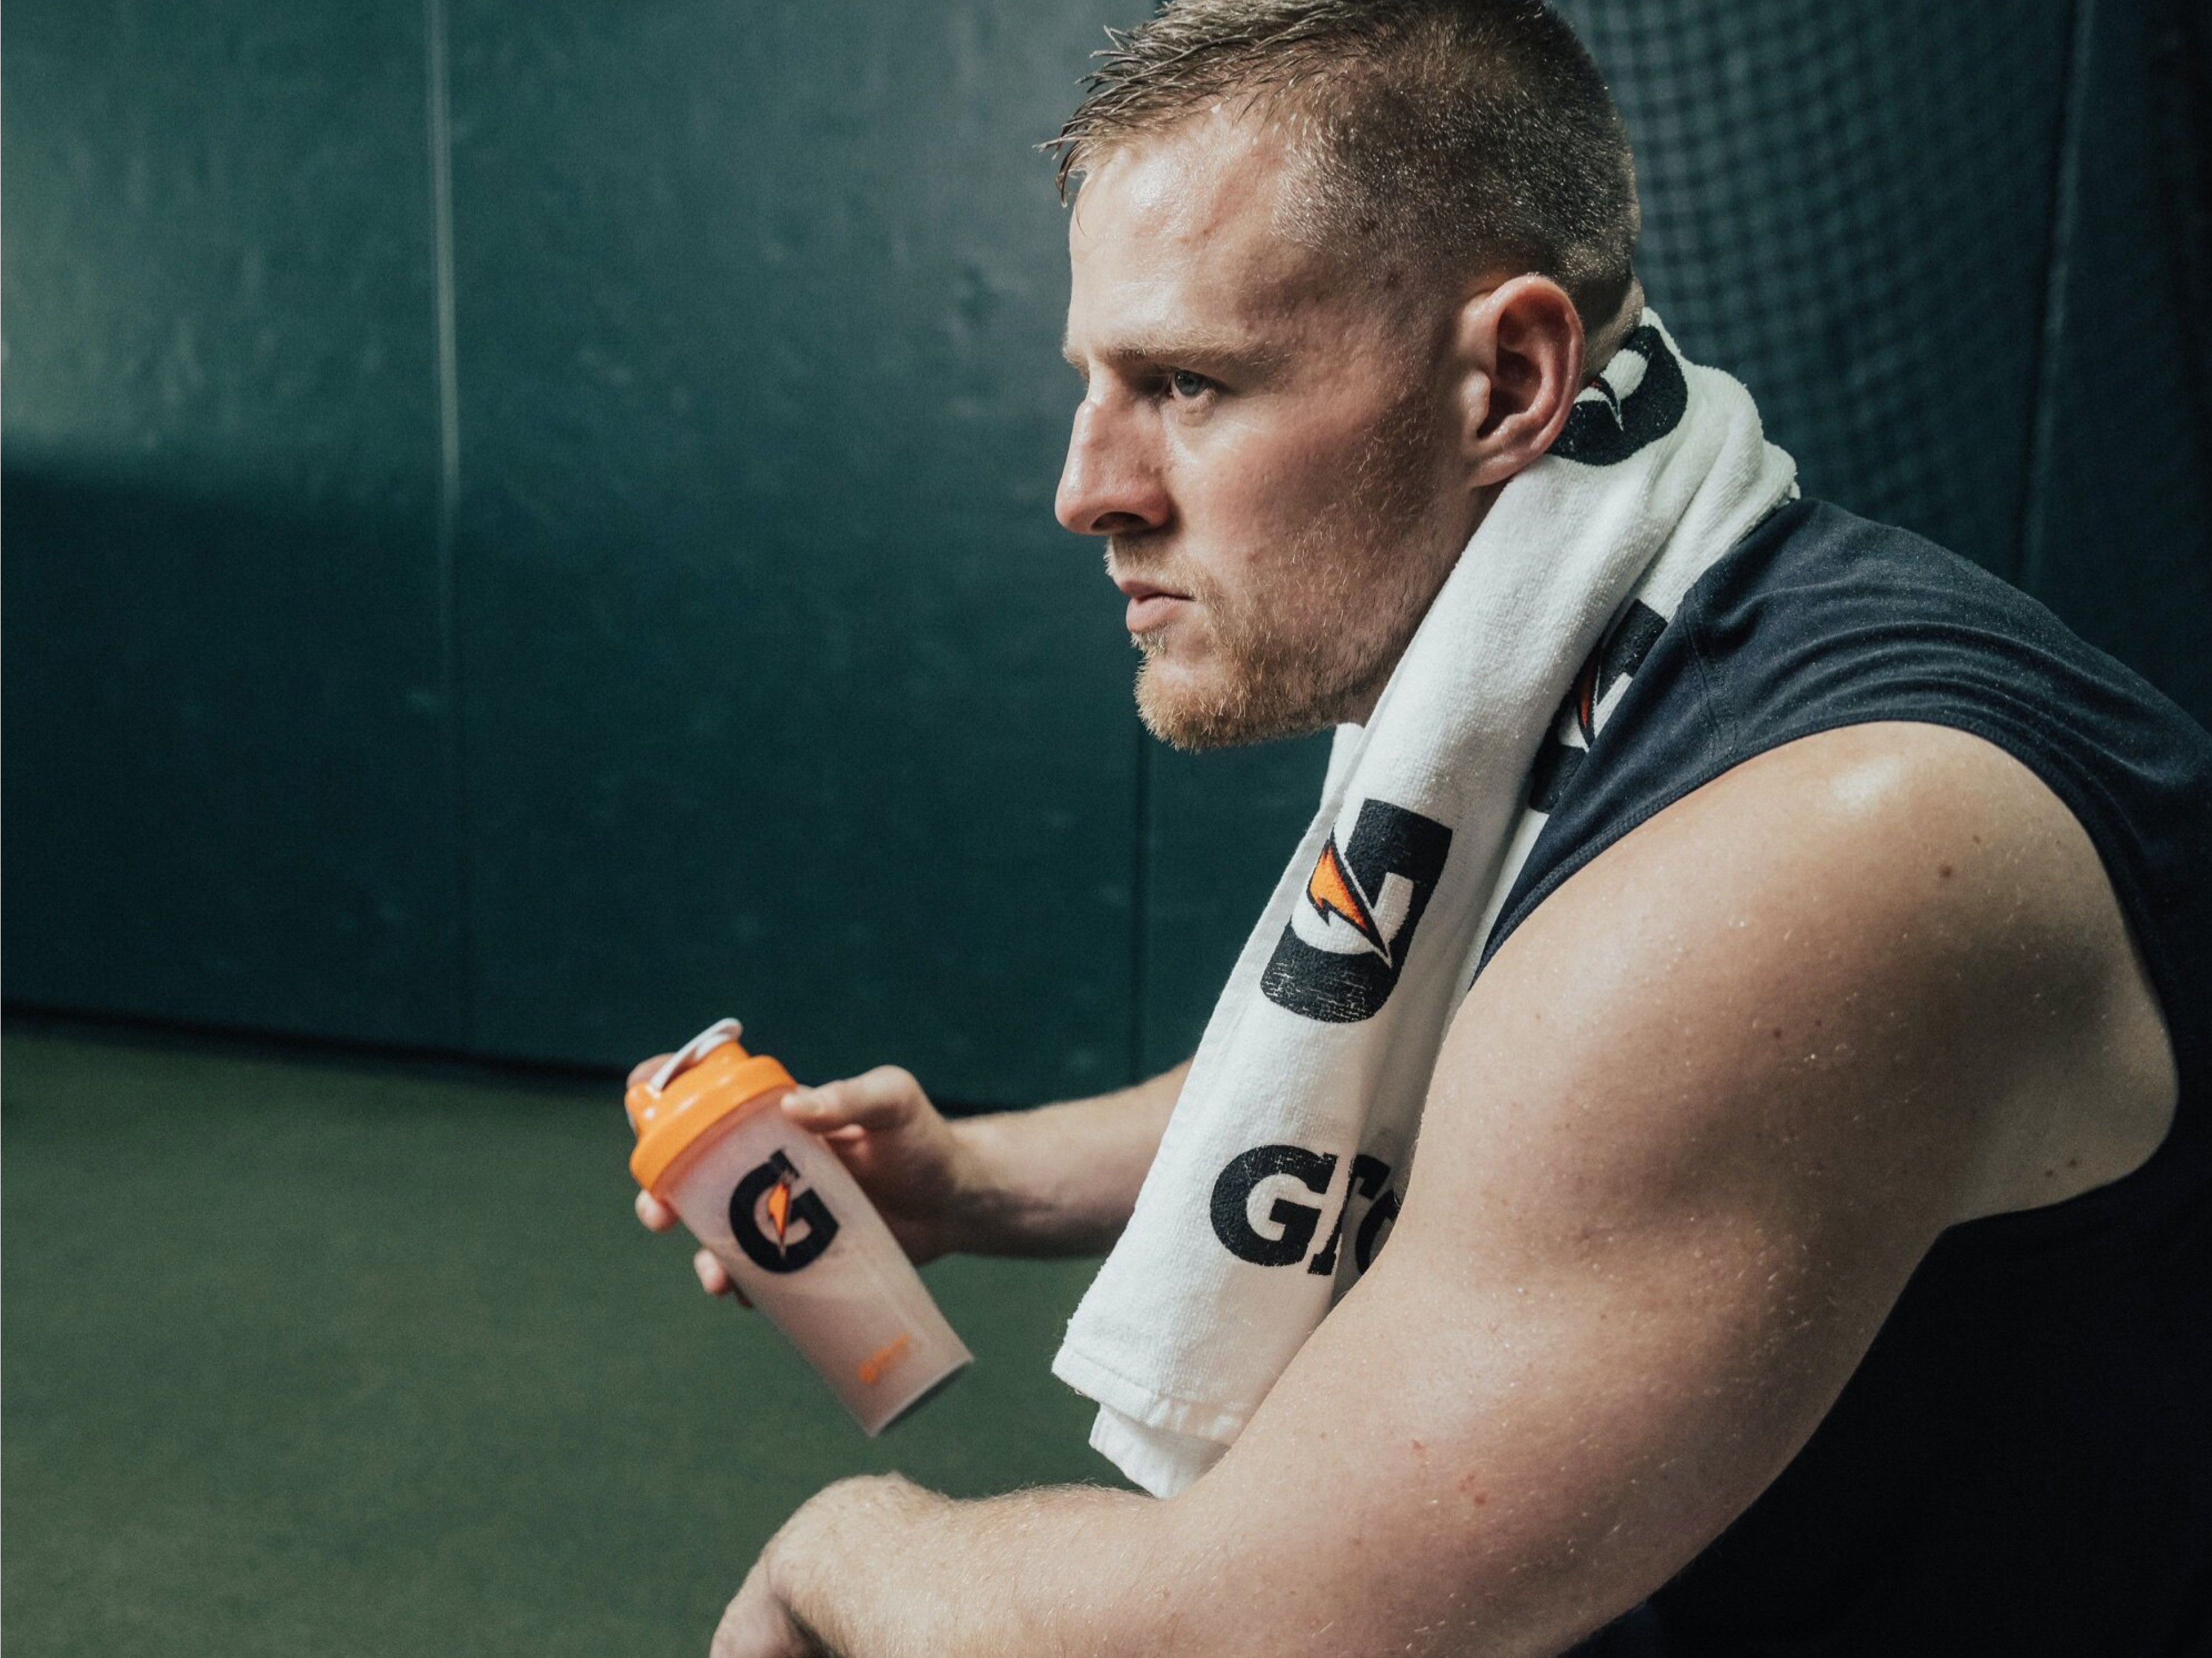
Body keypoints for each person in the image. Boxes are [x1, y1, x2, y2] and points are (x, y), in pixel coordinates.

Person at [635, 3, 2211, 1653]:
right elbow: (1470, 1064)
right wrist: (977, 1179)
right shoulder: (1620, 633)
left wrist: (840, 1542)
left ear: (1507, 380)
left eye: (1185, 382)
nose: (1086, 485)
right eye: (1096, 382)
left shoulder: (1803, 868)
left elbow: (1249, 1635)